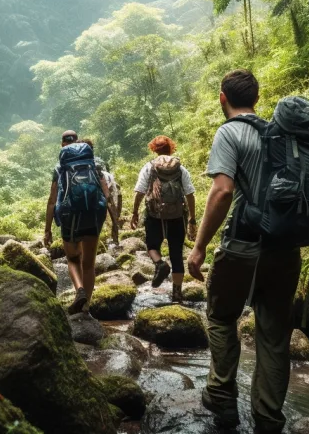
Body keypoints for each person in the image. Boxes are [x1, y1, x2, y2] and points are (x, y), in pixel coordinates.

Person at [186, 69, 301, 434]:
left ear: (223, 98)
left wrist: (200, 247)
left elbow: (221, 192)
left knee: (221, 317)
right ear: (256, 97)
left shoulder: (229, 132)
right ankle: (268, 422)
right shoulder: (280, 136)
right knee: (273, 334)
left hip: (243, 245)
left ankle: (221, 398)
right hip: (285, 248)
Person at [44, 131, 119, 314]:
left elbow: (52, 200)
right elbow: (107, 195)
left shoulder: (59, 167)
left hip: (70, 213)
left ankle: (79, 290)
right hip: (94, 212)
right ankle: (86, 308)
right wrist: (114, 222)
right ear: (77, 142)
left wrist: (47, 229)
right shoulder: (95, 163)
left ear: (62, 144)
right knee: (89, 263)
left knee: (73, 258)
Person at [129, 135, 198, 300]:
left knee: (152, 246)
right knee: (176, 253)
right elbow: (189, 194)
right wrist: (192, 219)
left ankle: (160, 264)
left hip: (155, 216)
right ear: (171, 148)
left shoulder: (149, 167)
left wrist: (135, 212)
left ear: (154, 149)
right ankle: (177, 293)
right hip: (177, 216)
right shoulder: (180, 169)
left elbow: (139, 192)